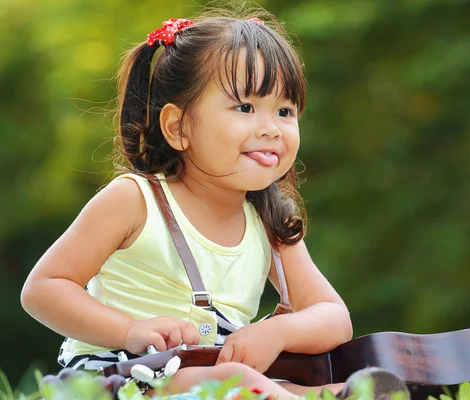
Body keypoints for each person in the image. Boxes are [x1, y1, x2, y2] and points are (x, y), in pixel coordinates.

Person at [20, 7, 358, 399]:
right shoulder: (136, 199)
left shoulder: (269, 219)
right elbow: (44, 288)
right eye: (245, 107)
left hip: (208, 379)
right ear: (178, 127)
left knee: (283, 384)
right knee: (235, 382)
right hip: (122, 376)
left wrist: (277, 330)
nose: (270, 128)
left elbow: (334, 318)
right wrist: (129, 331)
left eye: (285, 111)